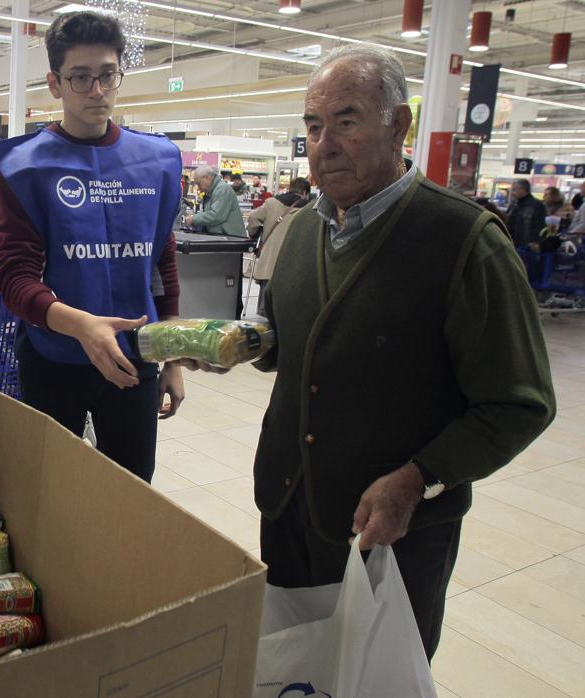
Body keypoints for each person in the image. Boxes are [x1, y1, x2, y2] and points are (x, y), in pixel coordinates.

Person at [237, 44, 554, 661]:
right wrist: (236, 345)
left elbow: (520, 404)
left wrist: (419, 479)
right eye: (312, 125)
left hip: (389, 531)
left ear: (399, 124)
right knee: (293, 665)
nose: (323, 144)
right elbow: (289, 341)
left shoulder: (463, 240)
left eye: (347, 120)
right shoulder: (303, 229)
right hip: (288, 507)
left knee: (376, 675)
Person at [0, 10, 185, 483]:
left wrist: (173, 357)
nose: (97, 90)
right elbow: (14, 280)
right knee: (48, 488)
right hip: (54, 357)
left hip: (137, 356)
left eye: (107, 75)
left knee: (132, 488)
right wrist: (81, 326)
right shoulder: (24, 167)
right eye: (80, 77)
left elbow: (162, 264)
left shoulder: (156, 162)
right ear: (55, 84)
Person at [250, 177, 311, 314]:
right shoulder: (308, 209)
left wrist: (254, 234)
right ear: (306, 192)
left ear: (290, 188)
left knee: (265, 312)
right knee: (286, 312)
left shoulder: (271, 202)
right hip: (292, 264)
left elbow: (253, 217)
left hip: (269, 263)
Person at [186, 165, 245, 236]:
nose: (198, 188)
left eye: (199, 184)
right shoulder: (213, 190)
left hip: (230, 238)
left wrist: (193, 219)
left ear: (206, 178)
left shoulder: (222, 189)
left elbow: (216, 216)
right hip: (224, 236)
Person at [506, 178, 547, 248]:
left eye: (514, 190)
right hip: (512, 243)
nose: (512, 193)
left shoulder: (537, 205)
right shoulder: (513, 204)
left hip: (527, 245)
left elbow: (539, 226)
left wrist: (534, 243)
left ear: (522, 189)